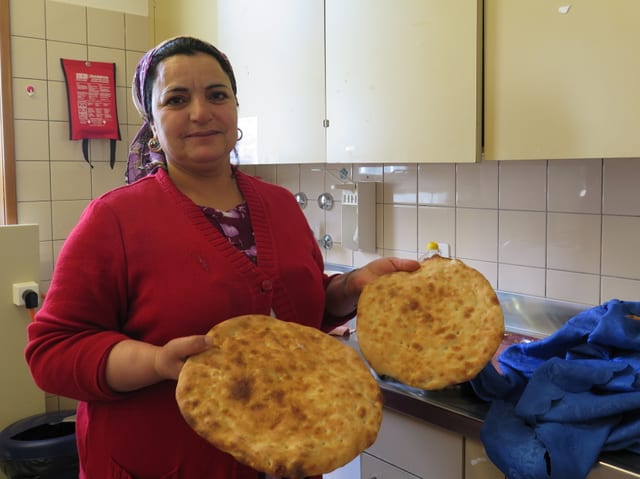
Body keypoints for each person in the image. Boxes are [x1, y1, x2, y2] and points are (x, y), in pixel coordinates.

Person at [25, 36, 420, 479]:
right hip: (160, 464)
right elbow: (52, 352)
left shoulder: (280, 205)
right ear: (152, 124)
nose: (200, 112)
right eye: (177, 99)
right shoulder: (114, 219)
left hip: (290, 451)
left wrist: (351, 287)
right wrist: (155, 363)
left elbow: (294, 317)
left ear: (235, 110)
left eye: (217, 95)